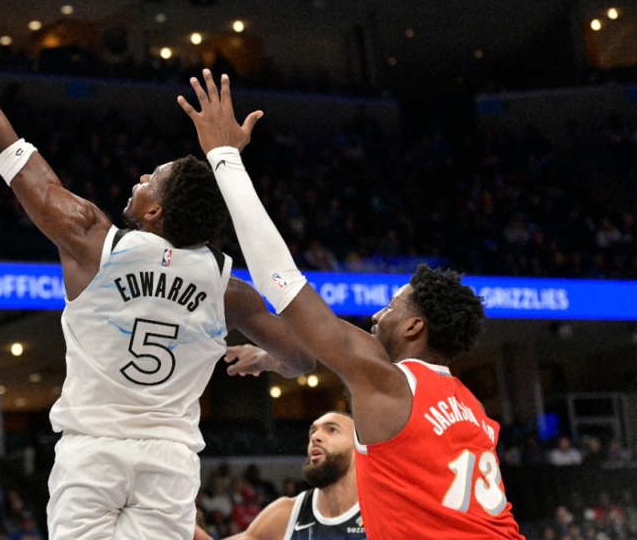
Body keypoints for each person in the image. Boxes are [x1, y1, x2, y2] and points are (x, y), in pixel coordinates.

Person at [0, 0, 314, 540]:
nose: (142, 178)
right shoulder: (226, 286)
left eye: (153, 180)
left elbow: (12, 153)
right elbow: (303, 361)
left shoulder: (93, 240)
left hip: (93, 456)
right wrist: (266, 360)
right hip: (170, 465)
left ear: (155, 213)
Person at [178, 69, 525, 540]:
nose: (379, 314)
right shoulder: (469, 405)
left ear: (414, 328)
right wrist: (278, 358)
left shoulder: (388, 381)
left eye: (393, 306)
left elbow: (280, 280)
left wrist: (223, 157)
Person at [194, 410, 365, 540]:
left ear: (360, 447)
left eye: (332, 430)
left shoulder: (381, 507)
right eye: (313, 431)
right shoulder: (288, 513)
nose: (316, 437)